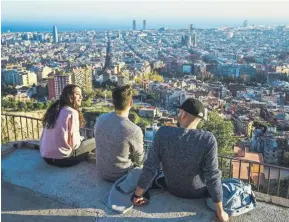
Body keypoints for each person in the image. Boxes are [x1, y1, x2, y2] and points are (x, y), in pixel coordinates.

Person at [132, 98, 229, 222]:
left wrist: (137, 195)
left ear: (183, 114)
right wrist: (221, 212)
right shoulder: (207, 140)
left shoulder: (163, 133)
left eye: (179, 112)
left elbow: (150, 166)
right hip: (198, 193)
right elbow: (212, 175)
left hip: (172, 188)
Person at [94, 85, 144, 182]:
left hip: (101, 172)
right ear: (131, 102)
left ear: (113, 102)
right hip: (122, 177)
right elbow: (139, 159)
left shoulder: (101, 119)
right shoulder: (134, 130)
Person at [40, 84, 95, 167]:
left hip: (46, 157)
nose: (81, 97)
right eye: (77, 94)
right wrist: (80, 139)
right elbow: (75, 144)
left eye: (81, 94)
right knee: (95, 140)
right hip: (63, 160)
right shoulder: (71, 112)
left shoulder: (54, 110)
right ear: (69, 95)